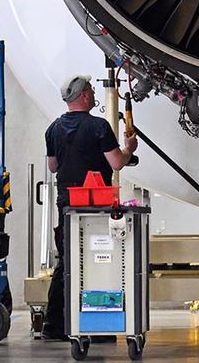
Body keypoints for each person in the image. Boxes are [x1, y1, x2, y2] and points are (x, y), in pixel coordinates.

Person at [41, 74, 139, 340]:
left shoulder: (53, 128)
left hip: (67, 204)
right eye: (91, 91)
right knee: (98, 262)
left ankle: (54, 326)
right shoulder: (99, 127)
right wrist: (129, 148)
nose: (95, 94)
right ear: (83, 95)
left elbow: (52, 166)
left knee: (67, 263)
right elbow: (117, 163)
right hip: (96, 206)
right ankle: (97, 326)